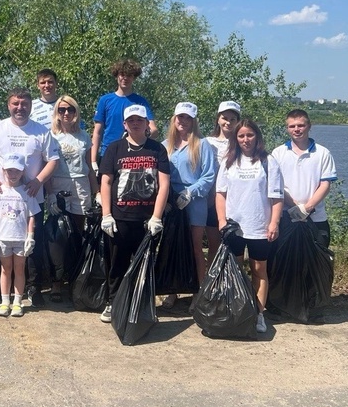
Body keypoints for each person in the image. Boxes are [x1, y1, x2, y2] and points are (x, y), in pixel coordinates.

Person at [0, 87, 60, 307]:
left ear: (31, 106)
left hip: (31, 196)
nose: (19, 108)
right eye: (15, 103)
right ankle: (2, 292)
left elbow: (53, 159)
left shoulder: (41, 131)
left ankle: (33, 289)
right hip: (2, 197)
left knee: (32, 244)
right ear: (8, 105)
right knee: (1, 244)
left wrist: (38, 180)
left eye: (24, 104)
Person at [99, 105, 170, 323]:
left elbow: (164, 184)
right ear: (125, 124)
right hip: (120, 217)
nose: (136, 124)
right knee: (117, 263)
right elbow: (106, 181)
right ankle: (114, 302)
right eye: (131, 121)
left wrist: (157, 217)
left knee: (145, 265)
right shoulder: (115, 148)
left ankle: (144, 306)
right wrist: (106, 214)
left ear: (147, 123)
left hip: (146, 220)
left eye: (140, 120)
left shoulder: (157, 149)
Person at [216, 119, 284, 334]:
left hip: (259, 227)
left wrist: (274, 222)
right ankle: (236, 310)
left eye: (250, 135)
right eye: (241, 136)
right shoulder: (229, 162)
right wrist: (221, 221)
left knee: (258, 271)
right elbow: (220, 194)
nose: (246, 140)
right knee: (234, 271)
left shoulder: (268, 161)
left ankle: (258, 314)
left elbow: (277, 196)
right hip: (234, 227)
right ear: (236, 139)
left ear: (257, 137)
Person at [161, 102, 217, 307]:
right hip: (171, 201)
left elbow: (209, 176)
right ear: (174, 119)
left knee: (194, 248)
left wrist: (190, 192)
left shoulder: (202, 145)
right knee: (171, 245)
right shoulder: (165, 144)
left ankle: (198, 290)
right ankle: (172, 289)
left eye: (187, 118)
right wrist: (166, 199)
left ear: (193, 121)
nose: (183, 121)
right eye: (180, 117)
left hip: (194, 202)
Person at [45, 95, 98, 301]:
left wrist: (97, 193)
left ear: (76, 113)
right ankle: (56, 282)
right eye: (62, 110)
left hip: (81, 185)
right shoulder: (51, 135)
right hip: (58, 184)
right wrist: (49, 194)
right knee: (57, 235)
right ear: (57, 112)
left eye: (70, 110)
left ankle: (74, 277)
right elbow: (46, 167)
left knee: (78, 232)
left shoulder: (85, 136)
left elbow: (89, 168)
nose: (66, 113)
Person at [271, 109, 338, 249]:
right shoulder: (278, 153)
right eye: (292, 126)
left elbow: (325, 185)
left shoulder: (323, 153)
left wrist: (307, 208)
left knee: (317, 263)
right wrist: (296, 207)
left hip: (316, 218)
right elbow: (275, 186)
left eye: (300, 125)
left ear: (309, 126)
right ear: (287, 128)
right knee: (285, 264)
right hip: (286, 217)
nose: (296, 129)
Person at [0, 154, 40, 317]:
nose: (13, 174)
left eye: (16, 171)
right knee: (5, 269)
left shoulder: (27, 192)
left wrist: (30, 236)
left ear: (22, 172)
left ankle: (18, 302)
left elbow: (32, 216)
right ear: (3, 171)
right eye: (9, 170)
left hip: (20, 239)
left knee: (19, 269)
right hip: (3, 238)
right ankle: (5, 301)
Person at [91, 58, 157, 174]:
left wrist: (140, 137)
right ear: (117, 76)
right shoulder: (105, 100)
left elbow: (153, 129)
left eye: (129, 75)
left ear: (134, 78)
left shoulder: (140, 101)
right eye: (122, 74)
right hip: (108, 153)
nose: (125, 78)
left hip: (132, 155)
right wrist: (93, 160)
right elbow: (97, 132)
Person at [204, 101, 242, 264]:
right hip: (211, 201)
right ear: (218, 119)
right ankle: (212, 283)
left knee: (235, 246)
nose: (228, 122)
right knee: (214, 244)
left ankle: (234, 284)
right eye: (224, 118)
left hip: (236, 202)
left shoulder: (243, 142)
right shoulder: (206, 142)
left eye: (233, 119)